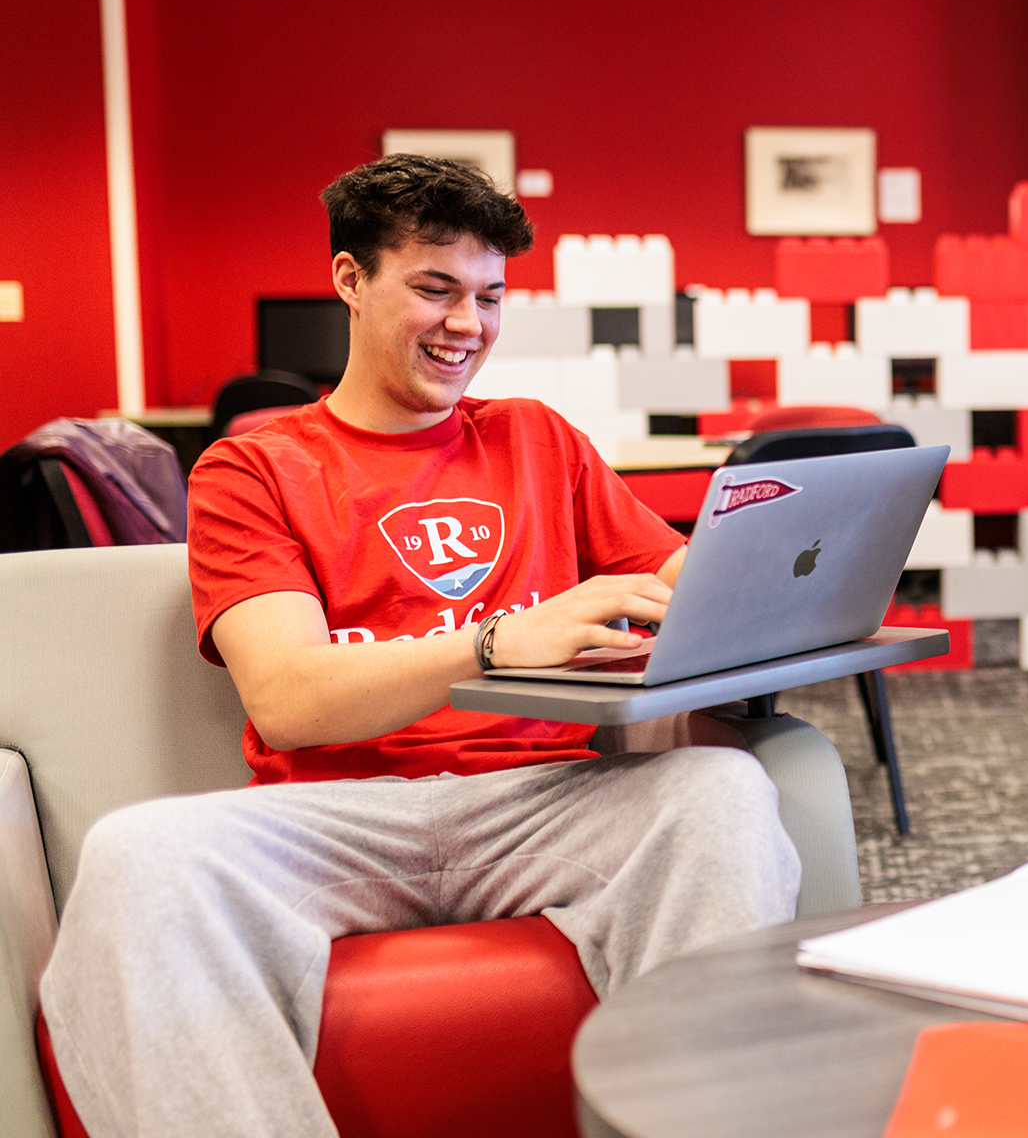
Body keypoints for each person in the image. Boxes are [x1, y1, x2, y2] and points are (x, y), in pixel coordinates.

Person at [39, 154, 800, 1138]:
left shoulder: (539, 439)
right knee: (136, 855)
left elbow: (669, 579)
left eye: (490, 297)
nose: (466, 325)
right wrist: (492, 647)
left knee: (723, 794)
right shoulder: (254, 466)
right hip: (336, 817)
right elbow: (290, 698)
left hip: (540, 805)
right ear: (350, 280)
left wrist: (759, 572)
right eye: (434, 289)